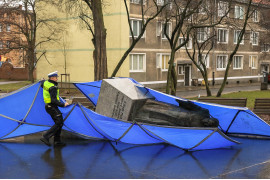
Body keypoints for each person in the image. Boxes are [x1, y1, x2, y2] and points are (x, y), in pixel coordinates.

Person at [40, 71, 69, 146]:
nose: (57, 79)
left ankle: (57, 142)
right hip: (52, 106)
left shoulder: (46, 83)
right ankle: (45, 136)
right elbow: (54, 100)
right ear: (52, 78)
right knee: (59, 122)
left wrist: (42, 80)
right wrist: (63, 104)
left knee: (59, 123)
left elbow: (42, 83)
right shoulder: (52, 87)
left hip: (49, 106)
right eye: (56, 77)